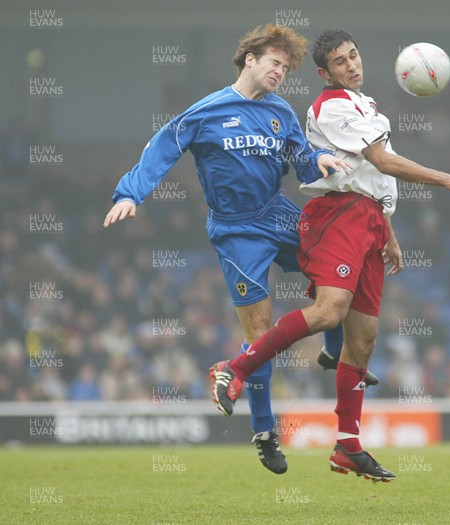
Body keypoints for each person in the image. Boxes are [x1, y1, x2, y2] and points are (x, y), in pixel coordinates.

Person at [212, 29, 450, 482]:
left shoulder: (369, 105)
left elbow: (376, 178)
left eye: (354, 56)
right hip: (337, 214)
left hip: (370, 219)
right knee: (328, 311)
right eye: (340, 62)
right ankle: (234, 368)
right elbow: (381, 161)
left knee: (364, 340)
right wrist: (447, 178)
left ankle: (348, 445)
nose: (351, 65)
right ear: (325, 73)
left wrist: (389, 229)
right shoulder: (332, 105)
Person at [103, 24, 352, 475]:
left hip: (276, 211)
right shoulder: (207, 111)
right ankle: (264, 431)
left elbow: (299, 156)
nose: (281, 72)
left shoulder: (281, 112)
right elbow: (162, 148)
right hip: (236, 230)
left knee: (340, 267)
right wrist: (129, 194)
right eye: (274, 63)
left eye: (286, 66)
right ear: (249, 60)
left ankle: (333, 349)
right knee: (260, 334)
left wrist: (317, 160)